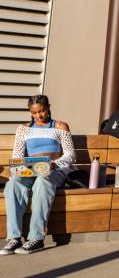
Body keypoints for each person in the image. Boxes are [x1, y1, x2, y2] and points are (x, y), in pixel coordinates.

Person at [1, 95, 76, 255]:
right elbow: (17, 156)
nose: (38, 116)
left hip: (54, 169)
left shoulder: (61, 126)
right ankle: (14, 238)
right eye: (34, 113)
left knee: (42, 181)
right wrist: (21, 166)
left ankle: (36, 238)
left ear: (48, 107)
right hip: (30, 168)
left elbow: (70, 155)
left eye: (41, 111)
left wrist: (53, 163)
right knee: (12, 184)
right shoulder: (23, 129)